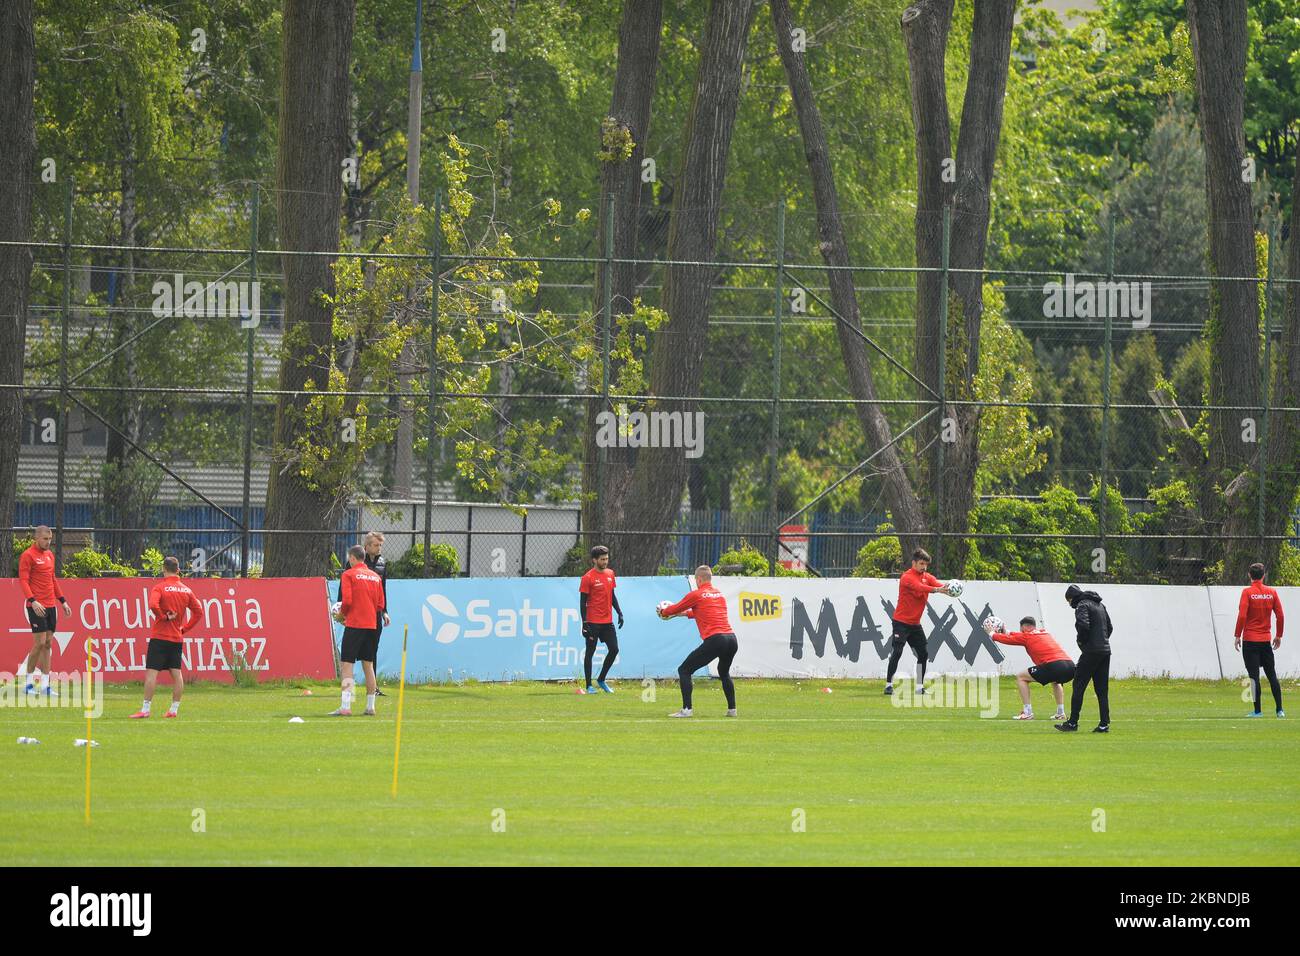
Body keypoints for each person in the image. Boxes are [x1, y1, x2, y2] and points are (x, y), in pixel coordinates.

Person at [657, 566, 738, 718]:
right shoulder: (719, 594)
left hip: (716, 639)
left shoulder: (697, 594)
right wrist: (683, 614)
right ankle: (732, 709)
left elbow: (673, 609)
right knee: (724, 672)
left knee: (684, 670)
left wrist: (663, 612)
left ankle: (687, 710)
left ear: (699, 579)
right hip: (731, 639)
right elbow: (704, 611)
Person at [130, 557, 202, 719]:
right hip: (176, 638)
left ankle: (146, 709)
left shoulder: (160, 588)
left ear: (164, 569)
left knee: (151, 674)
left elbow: (153, 605)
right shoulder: (187, 591)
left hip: (160, 637)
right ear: (178, 570)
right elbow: (199, 612)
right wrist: (185, 628)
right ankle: (174, 710)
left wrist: (163, 617)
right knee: (177, 674)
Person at [884, 548, 952, 696]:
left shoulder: (927, 576)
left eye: (926, 564)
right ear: (914, 562)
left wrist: (949, 589)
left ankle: (919, 688)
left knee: (923, 654)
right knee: (897, 652)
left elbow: (939, 585)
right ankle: (888, 685)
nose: (924, 567)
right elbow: (920, 588)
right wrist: (937, 590)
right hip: (901, 623)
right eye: (921, 563)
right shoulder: (907, 577)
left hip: (915, 625)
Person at [330, 546, 386, 717]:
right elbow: (380, 605)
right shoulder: (375, 577)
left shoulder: (348, 574)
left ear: (352, 558)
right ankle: (370, 707)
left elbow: (346, 600)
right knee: (368, 665)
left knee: (347, 664)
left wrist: (341, 615)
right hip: (372, 625)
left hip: (355, 624)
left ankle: (346, 706)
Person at [985, 615, 1073, 721]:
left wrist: (991, 633)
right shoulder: (1044, 632)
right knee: (1056, 681)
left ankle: (1027, 712)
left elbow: (1008, 640)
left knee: (1021, 677)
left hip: (1054, 665)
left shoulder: (1026, 637)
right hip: (1070, 666)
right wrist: (1005, 630)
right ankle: (1061, 713)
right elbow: (1016, 635)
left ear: (1023, 627)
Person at [18, 526, 72, 698]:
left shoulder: (49, 555)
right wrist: (32, 601)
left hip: (51, 606)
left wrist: (62, 601)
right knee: (39, 643)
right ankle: (27, 683)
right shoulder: (27, 555)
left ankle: (46, 685)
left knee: (48, 643)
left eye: (50, 539)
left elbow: (53, 579)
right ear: (36, 539)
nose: (48, 542)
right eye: (45, 539)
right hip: (36, 606)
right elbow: (23, 581)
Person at [1056, 585, 1112, 734]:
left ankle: (1073, 722)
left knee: (1078, 685)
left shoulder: (1082, 605)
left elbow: (1083, 626)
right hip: (1105, 651)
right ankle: (1104, 724)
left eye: (1069, 601)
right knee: (1102, 689)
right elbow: (1110, 627)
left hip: (1091, 651)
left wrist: (1082, 642)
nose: (1070, 604)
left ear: (1073, 597)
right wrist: (1102, 641)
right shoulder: (1100, 605)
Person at [1235, 562, 1284, 718]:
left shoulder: (1247, 592)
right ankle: (1279, 710)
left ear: (1249, 575)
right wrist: (1279, 635)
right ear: (1264, 575)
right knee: (1272, 675)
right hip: (1265, 640)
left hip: (1250, 640)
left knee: (1254, 677)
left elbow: (1242, 615)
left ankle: (1257, 711)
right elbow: (1280, 615)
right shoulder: (1272, 592)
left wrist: (1237, 635)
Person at [579, 545, 623, 693]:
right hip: (592, 622)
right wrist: (584, 623)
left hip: (607, 621)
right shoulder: (587, 578)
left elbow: (612, 595)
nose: (605, 562)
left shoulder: (610, 574)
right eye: (602, 559)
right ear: (594, 560)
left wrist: (619, 612)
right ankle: (589, 686)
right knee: (590, 652)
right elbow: (582, 602)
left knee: (614, 649)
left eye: (607, 559)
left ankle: (601, 679)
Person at [362, 531, 391, 696]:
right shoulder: (356, 561)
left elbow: (383, 591)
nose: (379, 548)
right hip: (359, 614)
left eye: (380, 545)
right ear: (367, 546)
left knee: (373, 649)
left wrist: (384, 612)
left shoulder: (382, 563)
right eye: (375, 545)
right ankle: (347, 688)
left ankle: (373, 688)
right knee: (352, 653)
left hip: (375, 613)